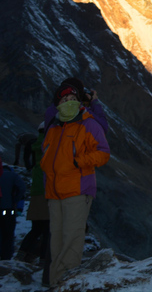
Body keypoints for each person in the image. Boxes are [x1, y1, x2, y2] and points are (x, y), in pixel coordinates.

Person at [40, 80, 110, 286]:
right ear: (58, 104)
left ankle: (68, 285)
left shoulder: (88, 124)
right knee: (57, 241)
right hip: (54, 192)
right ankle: (56, 284)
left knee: (72, 240)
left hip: (78, 189)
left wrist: (78, 162)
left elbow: (103, 152)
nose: (69, 102)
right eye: (64, 99)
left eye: (73, 98)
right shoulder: (53, 127)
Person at [16, 122, 52, 278]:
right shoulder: (50, 145)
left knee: (36, 228)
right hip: (48, 192)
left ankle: (22, 254)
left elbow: (27, 161)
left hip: (36, 192)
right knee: (48, 230)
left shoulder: (35, 146)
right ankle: (44, 260)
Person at [0, 161, 27, 260]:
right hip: (9, 210)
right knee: (8, 234)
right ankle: (6, 256)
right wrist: (15, 200)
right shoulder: (13, 176)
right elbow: (22, 188)